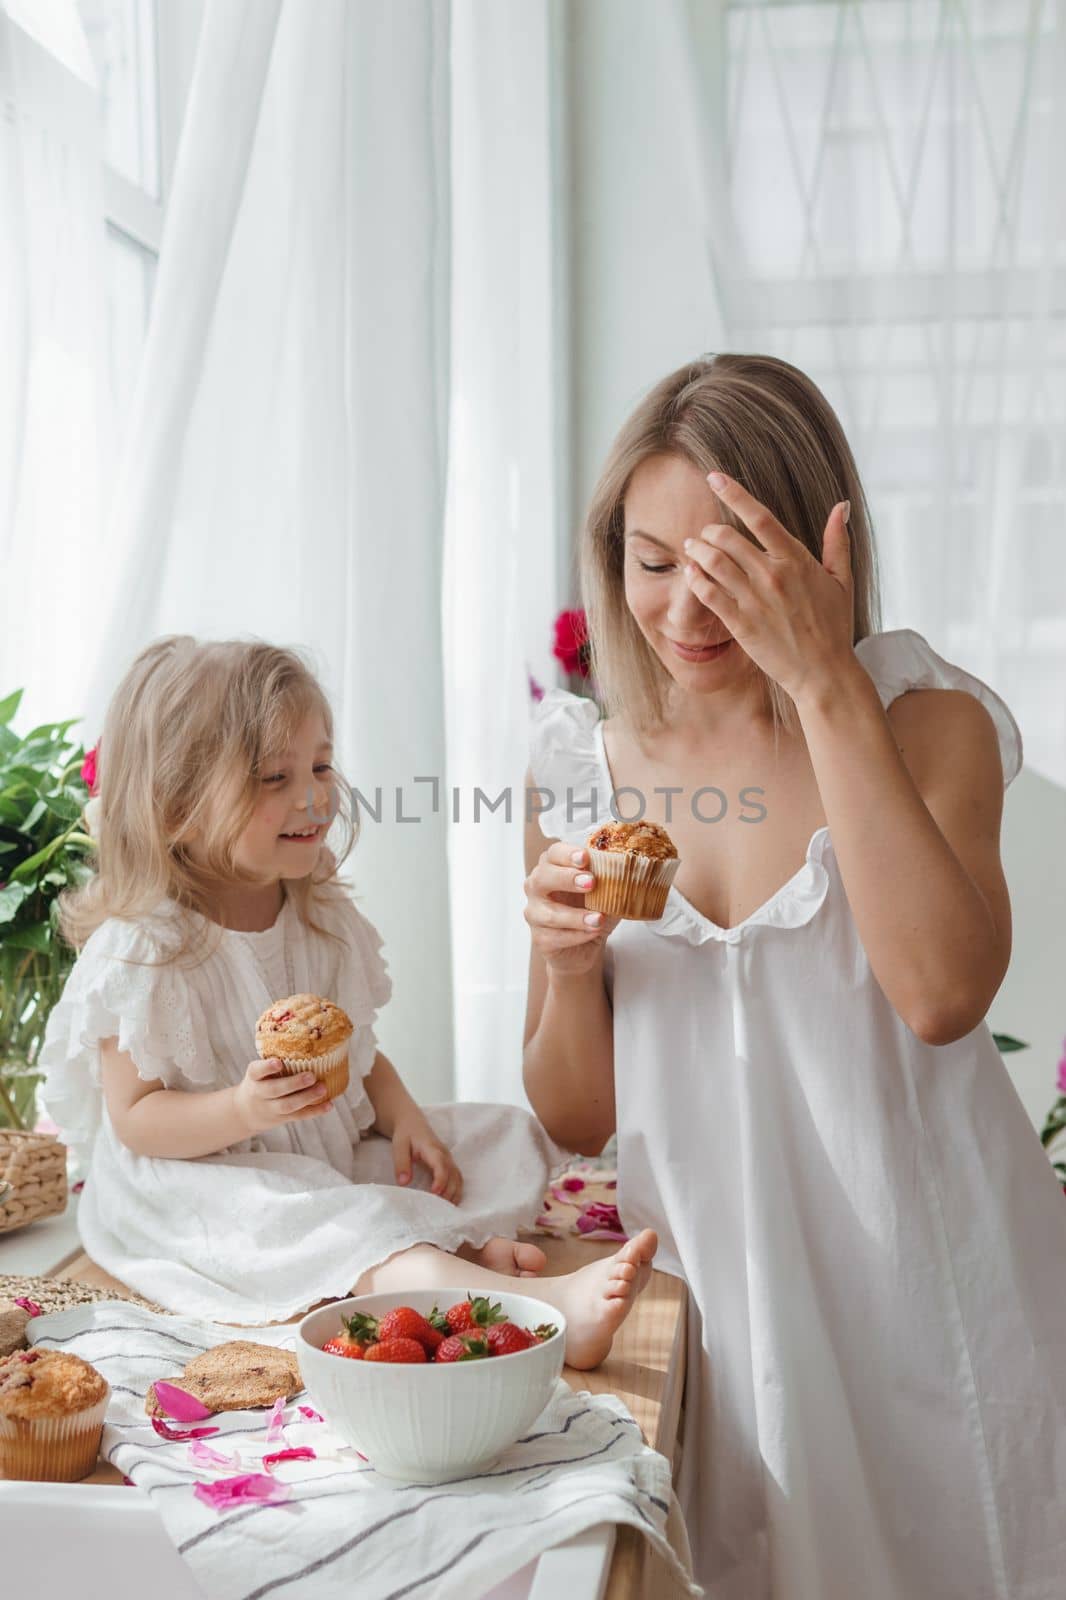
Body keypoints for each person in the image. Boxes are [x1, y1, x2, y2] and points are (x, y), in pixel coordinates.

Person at [522, 353, 1066, 1596]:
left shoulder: (925, 718)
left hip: (931, 1306)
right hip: (722, 1331)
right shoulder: (576, 766)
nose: (683, 610)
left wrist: (823, 680)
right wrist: (565, 965)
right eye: (652, 564)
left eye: (726, 565)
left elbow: (940, 994)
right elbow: (575, 1116)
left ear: (818, 546)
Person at [41, 634, 656, 1360]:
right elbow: (137, 1120)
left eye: (321, 765)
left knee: (496, 1135)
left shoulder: (316, 916)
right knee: (332, 1219)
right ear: (176, 807)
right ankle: (540, 1308)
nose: (315, 795)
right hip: (199, 1185)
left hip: (311, 1155)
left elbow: (357, 1053)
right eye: (274, 777)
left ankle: (438, 1262)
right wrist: (241, 1110)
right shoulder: (144, 946)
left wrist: (403, 1118)